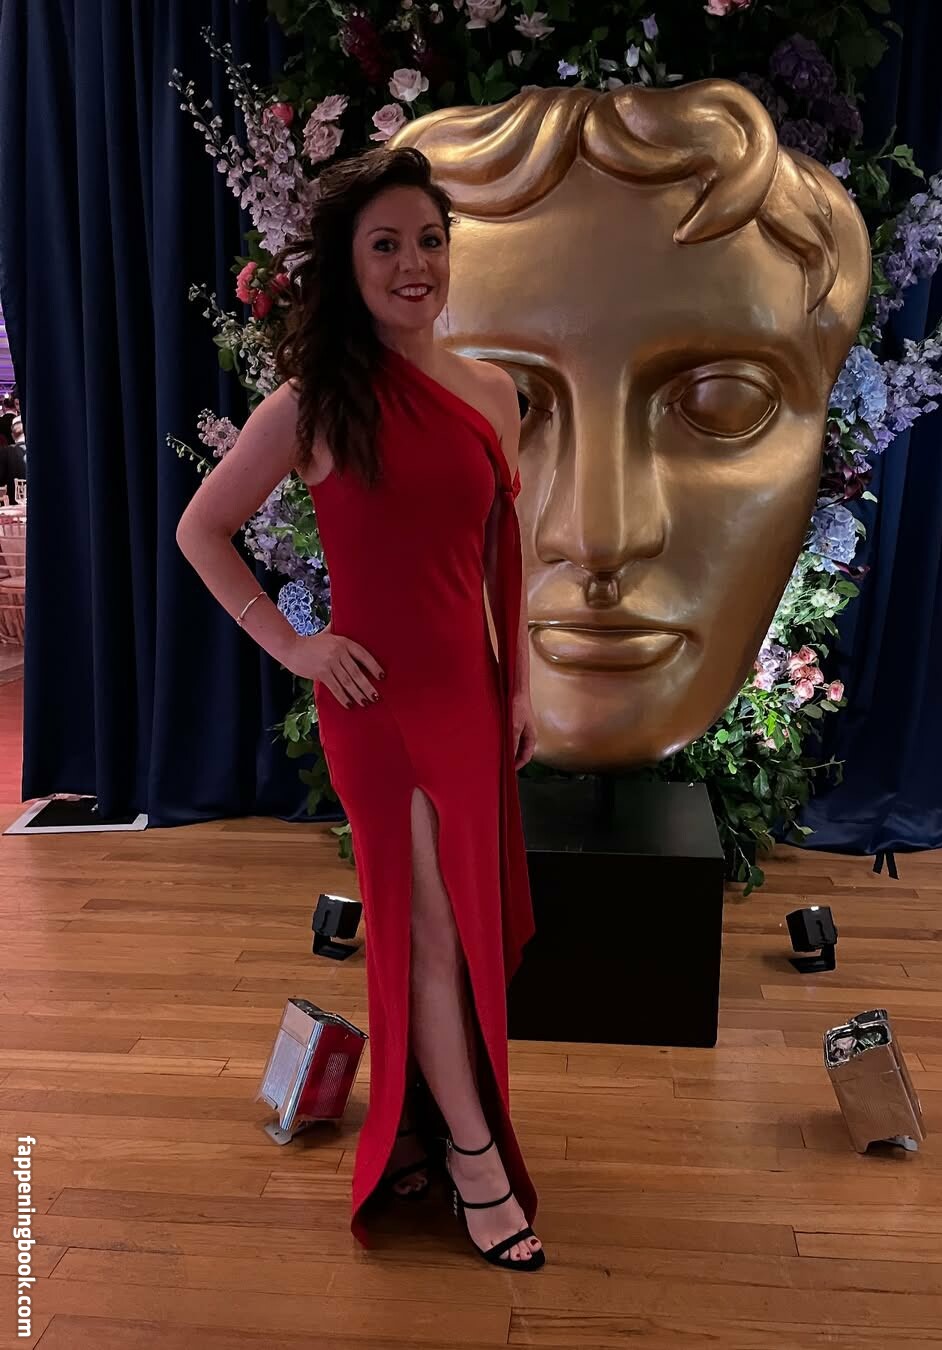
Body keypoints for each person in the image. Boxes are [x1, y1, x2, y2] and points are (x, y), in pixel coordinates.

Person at [176, 147, 544, 1270]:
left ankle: (422, 1131)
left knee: (466, 933)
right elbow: (201, 530)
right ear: (348, 263)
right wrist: (294, 644)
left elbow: (503, 550)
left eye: (429, 240)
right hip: (377, 708)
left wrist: (519, 683)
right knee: (428, 930)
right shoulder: (312, 404)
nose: (413, 263)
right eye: (385, 244)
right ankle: (475, 1159)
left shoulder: (491, 391)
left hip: (468, 700)